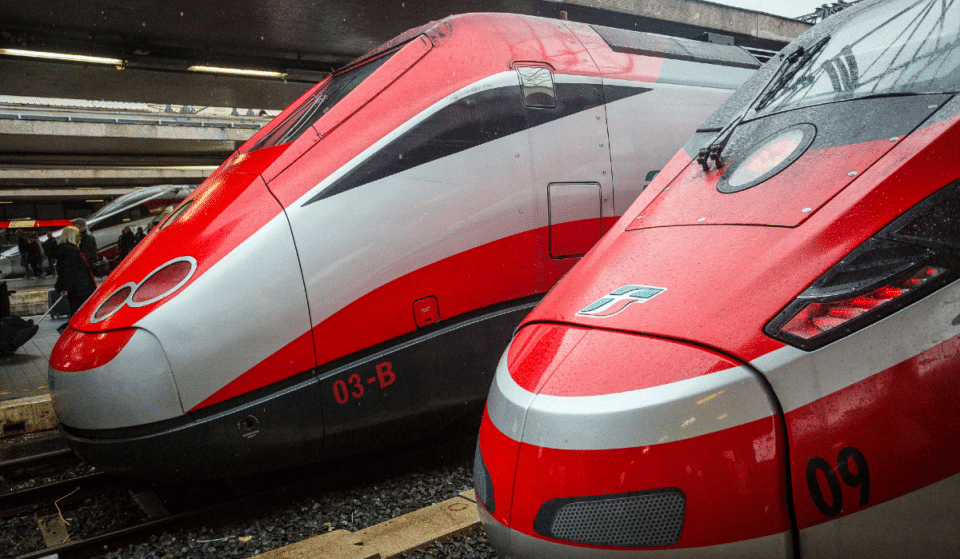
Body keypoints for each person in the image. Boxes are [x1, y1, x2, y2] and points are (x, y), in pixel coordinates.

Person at [54, 226, 97, 333]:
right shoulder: (70, 250)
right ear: (71, 236)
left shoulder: (66, 249)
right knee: (80, 312)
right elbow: (69, 271)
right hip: (80, 288)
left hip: (77, 287)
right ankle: (68, 330)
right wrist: (66, 288)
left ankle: (72, 330)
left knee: (77, 311)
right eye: (78, 235)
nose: (80, 238)